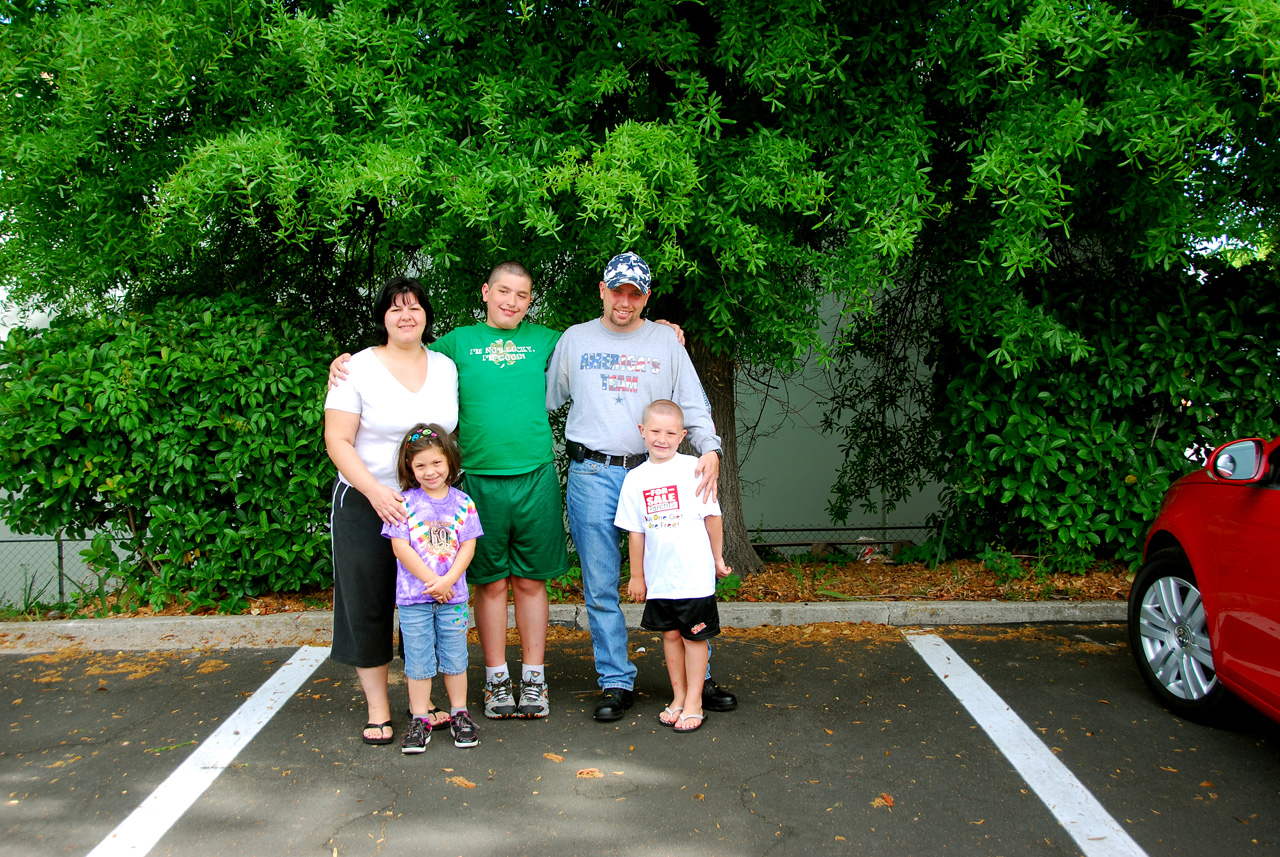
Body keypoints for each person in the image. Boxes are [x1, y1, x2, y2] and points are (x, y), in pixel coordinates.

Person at [331, 262, 568, 720]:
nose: (511, 301)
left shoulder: (532, 342)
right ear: (485, 291)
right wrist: (342, 362)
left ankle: (519, 681)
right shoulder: (452, 346)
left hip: (488, 486)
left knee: (507, 584)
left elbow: (596, 341)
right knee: (472, 585)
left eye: (522, 294)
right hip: (422, 489)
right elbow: (393, 357)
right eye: (503, 291)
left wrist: (656, 326)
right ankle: (466, 687)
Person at [545, 251, 737, 722]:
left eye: (635, 293)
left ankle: (698, 680)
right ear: (603, 289)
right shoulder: (574, 340)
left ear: (646, 296)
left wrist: (709, 448)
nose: (624, 300)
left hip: (659, 474)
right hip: (593, 473)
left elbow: (692, 403)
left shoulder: (666, 342)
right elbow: (543, 396)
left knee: (685, 574)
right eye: (617, 290)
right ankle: (615, 679)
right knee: (601, 585)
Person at [323, 275, 459, 746]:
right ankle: (379, 708)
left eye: (416, 307)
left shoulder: (445, 366)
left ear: (426, 316)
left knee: (426, 603)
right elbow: (337, 440)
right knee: (370, 603)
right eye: (396, 307)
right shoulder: (355, 369)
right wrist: (378, 494)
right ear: (383, 316)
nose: (407, 315)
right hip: (367, 501)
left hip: (428, 510)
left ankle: (421, 702)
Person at [617, 400, 730, 733]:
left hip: (694, 579)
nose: (661, 439)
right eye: (655, 431)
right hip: (661, 580)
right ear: (642, 432)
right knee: (669, 636)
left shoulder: (694, 468)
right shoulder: (635, 479)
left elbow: (714, 517)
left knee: (694, 639)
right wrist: (637, 576)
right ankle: (679, 696)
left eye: (670, 433)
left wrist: (718, 559)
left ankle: (695, 699)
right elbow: (635, 534)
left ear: (682, 435)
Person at [383, 423, 483, 752]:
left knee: (455, 657)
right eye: (421, 465)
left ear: (450, 463)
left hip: (452, 597)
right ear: (409, 468)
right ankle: (420, 718)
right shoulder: (402, 503)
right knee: (419, 661)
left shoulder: (463, 503)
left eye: (437, 463)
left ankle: (459, 713)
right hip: (415, 599)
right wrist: (432, 582)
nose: (430, 471)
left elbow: (467, 547)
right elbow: (401, 548)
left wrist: (448, 581)